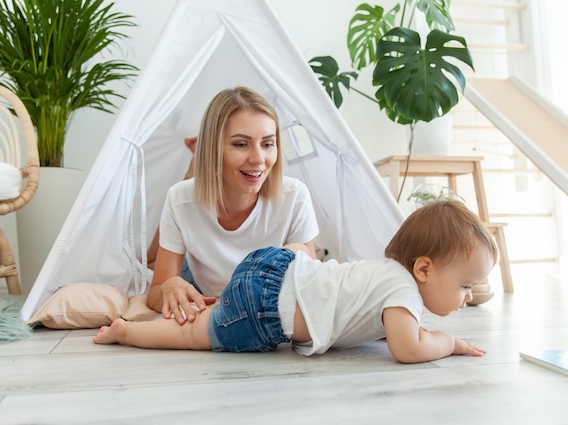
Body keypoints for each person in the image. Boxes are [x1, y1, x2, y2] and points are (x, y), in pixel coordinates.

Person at [95, 200, 498, 364]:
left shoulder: (389, 277)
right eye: (465, 285)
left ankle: (211, 306)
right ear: (424, 269)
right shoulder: (402, 290)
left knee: (216, 314)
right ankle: (127, 332)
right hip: (268, 308)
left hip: (276, 265)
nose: (468, 297)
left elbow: (375, 327)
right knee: (190, 337)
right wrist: (448, 342)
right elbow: (408, 348)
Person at [146, 86, 319, 325]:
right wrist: (169, 287)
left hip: (246, 288)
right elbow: (155, 293)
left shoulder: (295, 195)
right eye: (241, 144)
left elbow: (311, 281)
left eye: (268, 144)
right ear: (214, 147)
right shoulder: (179, 198)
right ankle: (195, 167)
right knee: (153, 262)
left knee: (303, 251)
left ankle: (197, 166)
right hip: (198, 277)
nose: (259, 159)